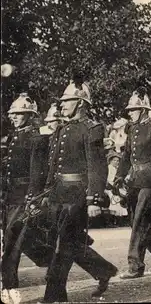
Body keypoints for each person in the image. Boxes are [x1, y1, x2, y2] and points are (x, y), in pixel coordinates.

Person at [40, 78, 118, 302]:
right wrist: (47, 192)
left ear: (81, 103)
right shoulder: (63, 129)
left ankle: (54, 296)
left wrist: (93, 199)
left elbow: (97, 166)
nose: (62, 105)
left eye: (68, 101)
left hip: (78, 196)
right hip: (58, 194)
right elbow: (53, 164)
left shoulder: (91, 129)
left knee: (64, 244)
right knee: (69, 242)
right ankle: (103, 270)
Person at [114, 89, 151, 278]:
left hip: (150, 180)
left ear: (143, 110)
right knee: (134, 221)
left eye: (133, 109)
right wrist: (118, 176)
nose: (129, 112)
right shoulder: (131, 129)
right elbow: (126, 156)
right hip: (134, 179)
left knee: (139, 220)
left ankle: (135, 266)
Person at [1, 94, 53, 292]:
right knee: (25, 239)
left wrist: (33, 197)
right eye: (12, 114)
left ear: (30, 116)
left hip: (24, 196)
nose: (13, 117)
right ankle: (55, 262)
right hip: (12, 195)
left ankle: (8, 284)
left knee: (11, 238)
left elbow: (36, 171)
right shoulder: (16, 136)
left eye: (18, 114)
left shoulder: (36, 138)